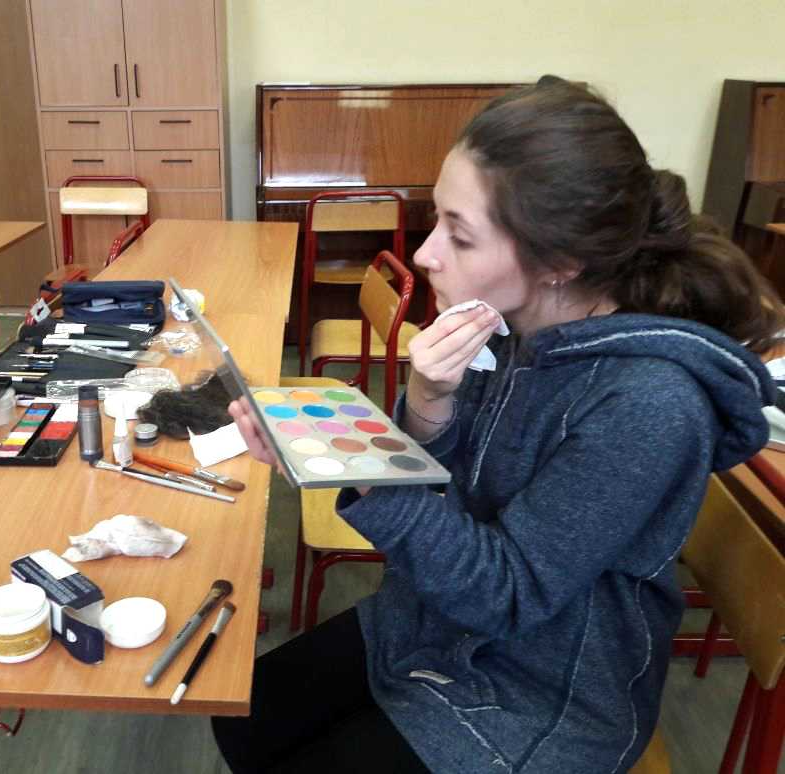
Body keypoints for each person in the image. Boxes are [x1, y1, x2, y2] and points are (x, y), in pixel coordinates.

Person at [211, 76, 784, 773]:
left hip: (534, 695)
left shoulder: (648, 404)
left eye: (459, 236)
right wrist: (428, 396)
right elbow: (446, 488)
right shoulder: (511, 331)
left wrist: (355, 466)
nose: (425, 254)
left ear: (561, 262)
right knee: (240, 721)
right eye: (436, 221)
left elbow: (508, 594)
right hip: (431, 622)